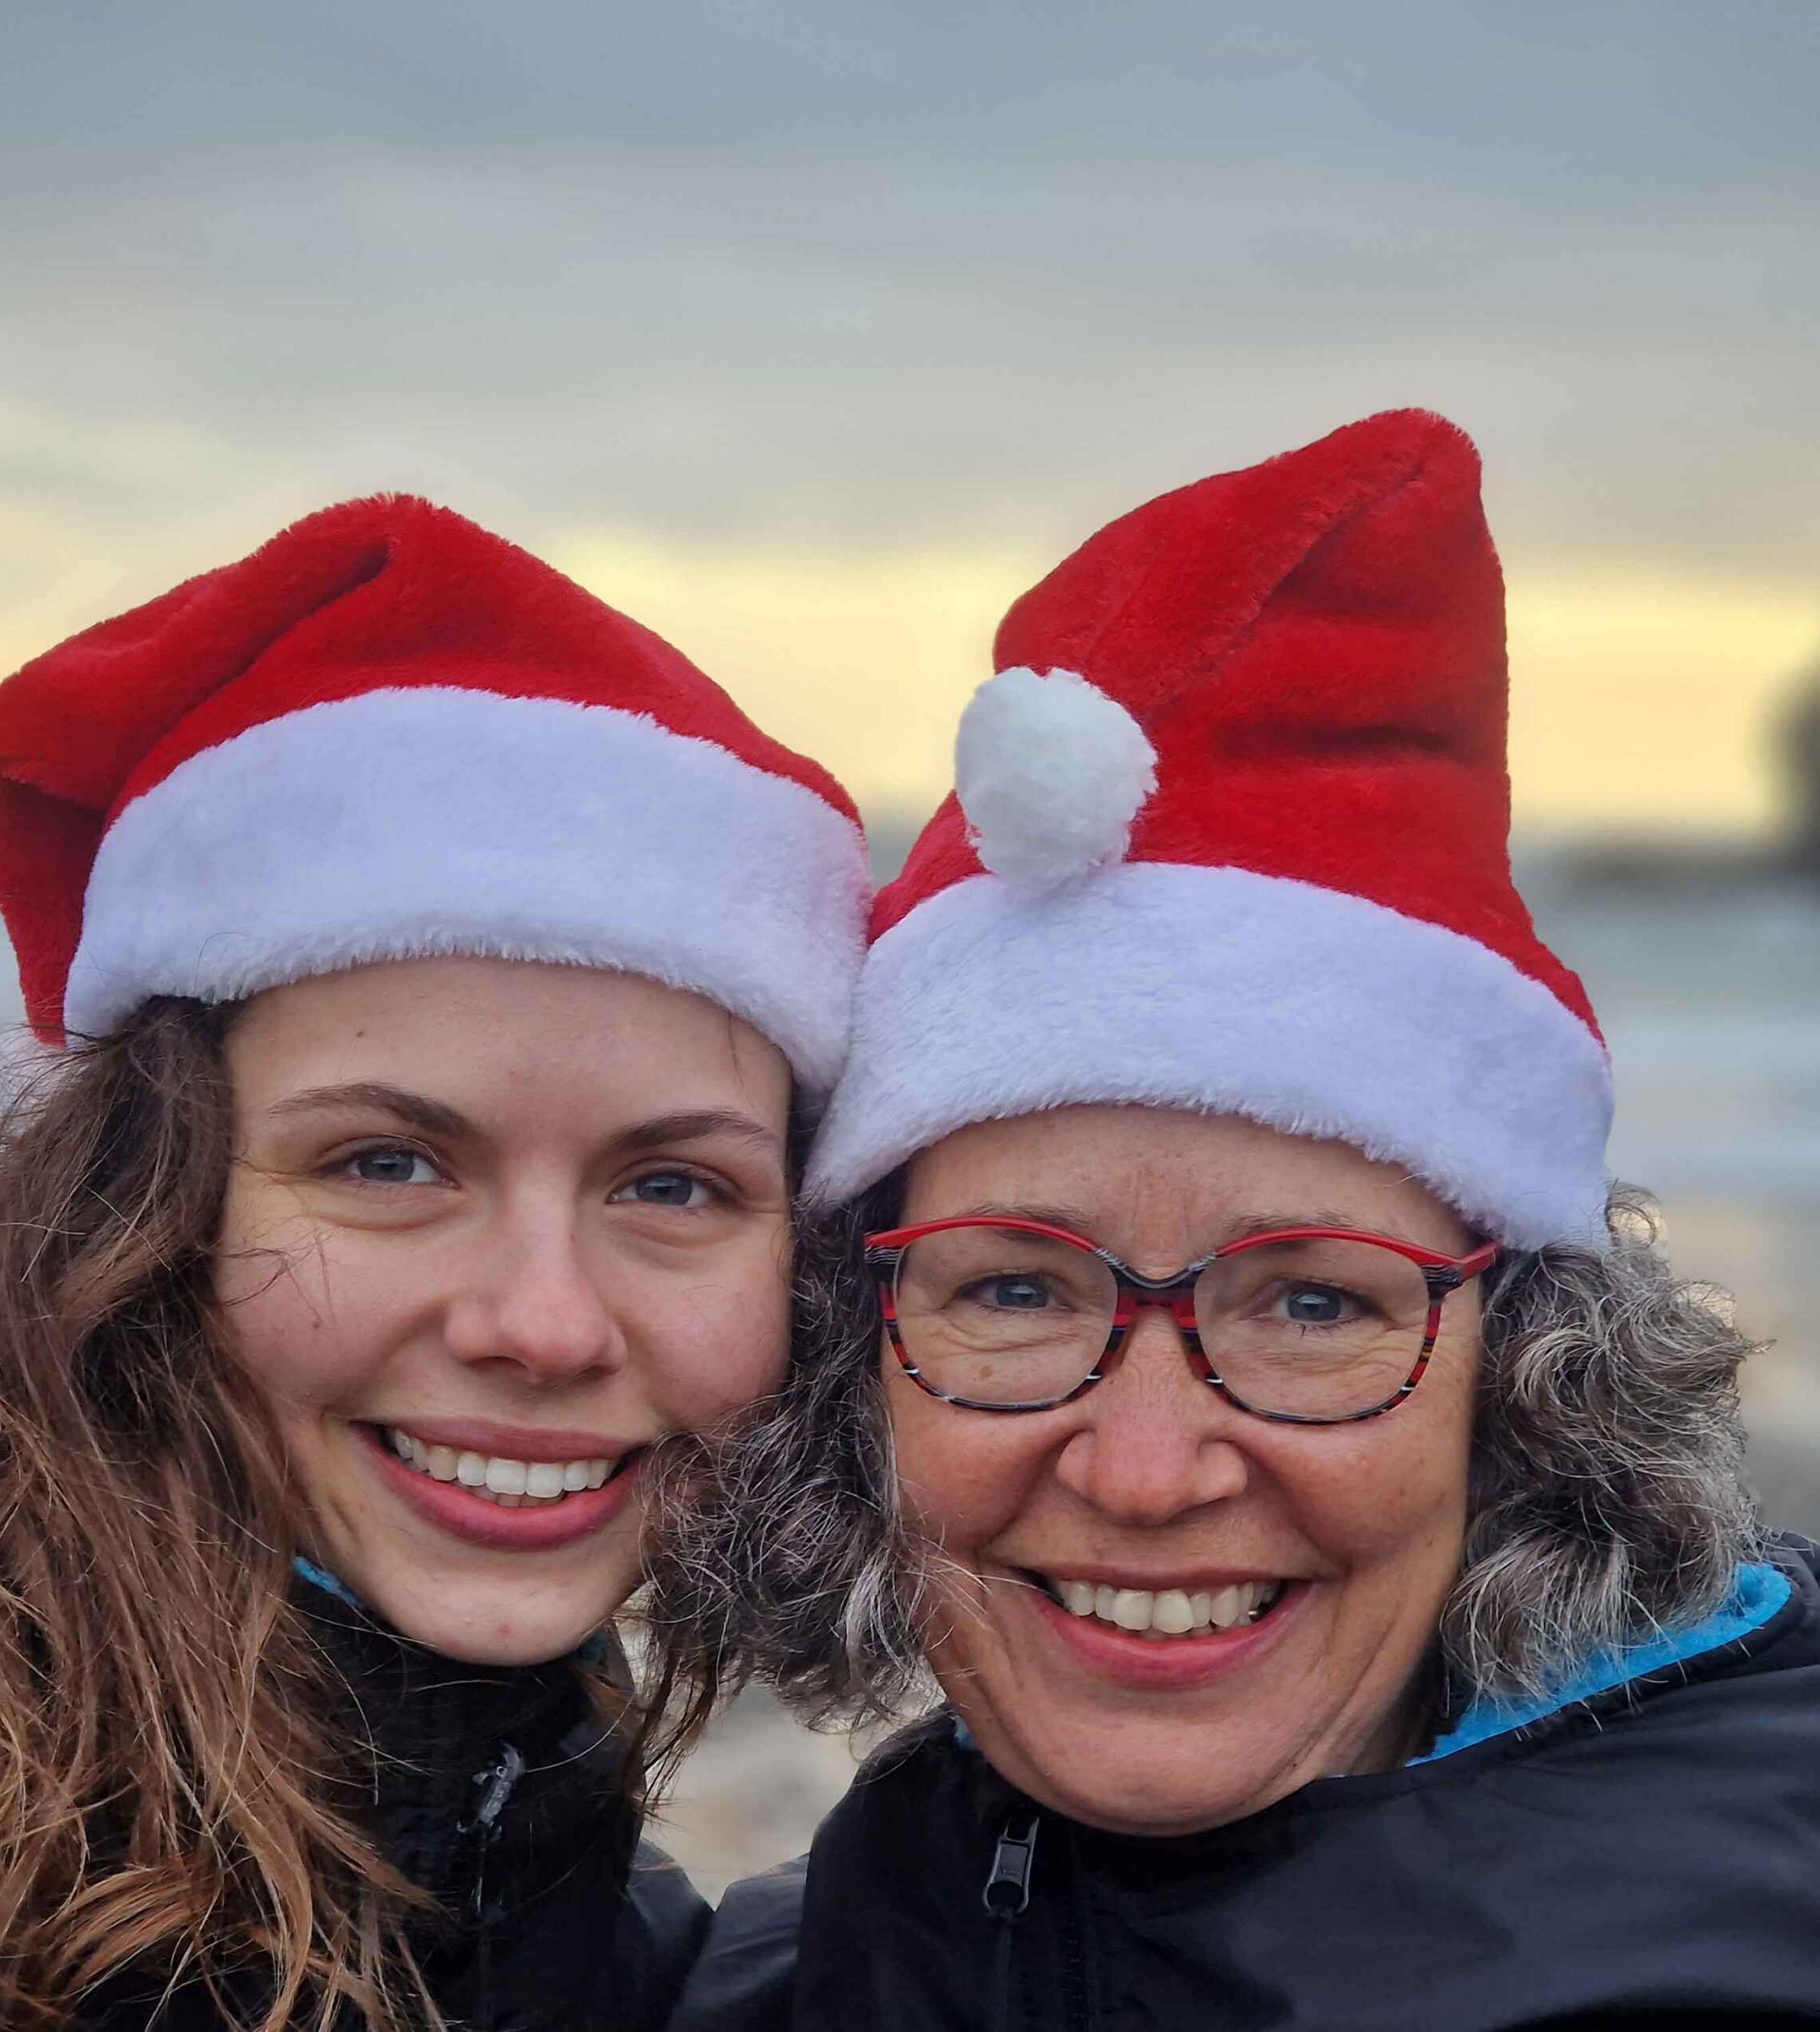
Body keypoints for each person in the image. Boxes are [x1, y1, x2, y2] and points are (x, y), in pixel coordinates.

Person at [663, 411, 1820, 2030]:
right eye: (1010, 1291)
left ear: (1527, 1383)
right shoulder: (873, 1925)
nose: (1144, 1472)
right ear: (849, 1371)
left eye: (1315, 1304)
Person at [0, 493, 869, 2030]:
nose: (542, 1324)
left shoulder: (523, 1860)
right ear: (147, 1198)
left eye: (675, 1184)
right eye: (389, 1163)